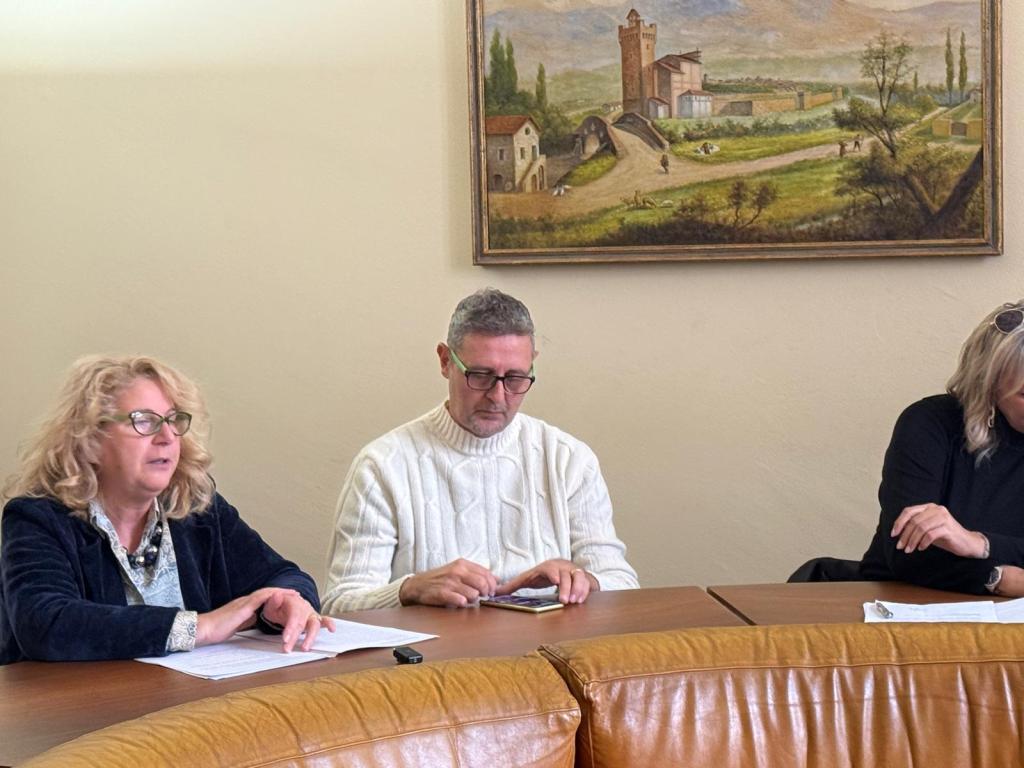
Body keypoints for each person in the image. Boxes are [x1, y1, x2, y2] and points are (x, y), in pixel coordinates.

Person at [0, 355, 333, 664]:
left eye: (174, 421)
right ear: (90, 441)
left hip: (180, 711)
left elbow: (284, 576)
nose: (167, 437)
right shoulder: (37, 518)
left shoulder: (196, 509)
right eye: (144, 421)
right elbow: (45, 624)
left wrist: (283, 603)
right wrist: (200, 627)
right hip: (74, 715)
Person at [323, 288, 638, 613]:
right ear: (445, 361)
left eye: (516, 378)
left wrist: (585, 580)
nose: (498, 396)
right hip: (433, 661)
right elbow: (339, 605)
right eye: (481, 375)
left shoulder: (568, 459)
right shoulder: (383, 465)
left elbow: (623, 584)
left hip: (546, 654)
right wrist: (410, 588)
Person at [859, 301, 1024, 596]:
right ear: (989, 385)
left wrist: (978, 543)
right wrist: (1000, 578)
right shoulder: (930, 424)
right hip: (904, 607)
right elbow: (907, 553)